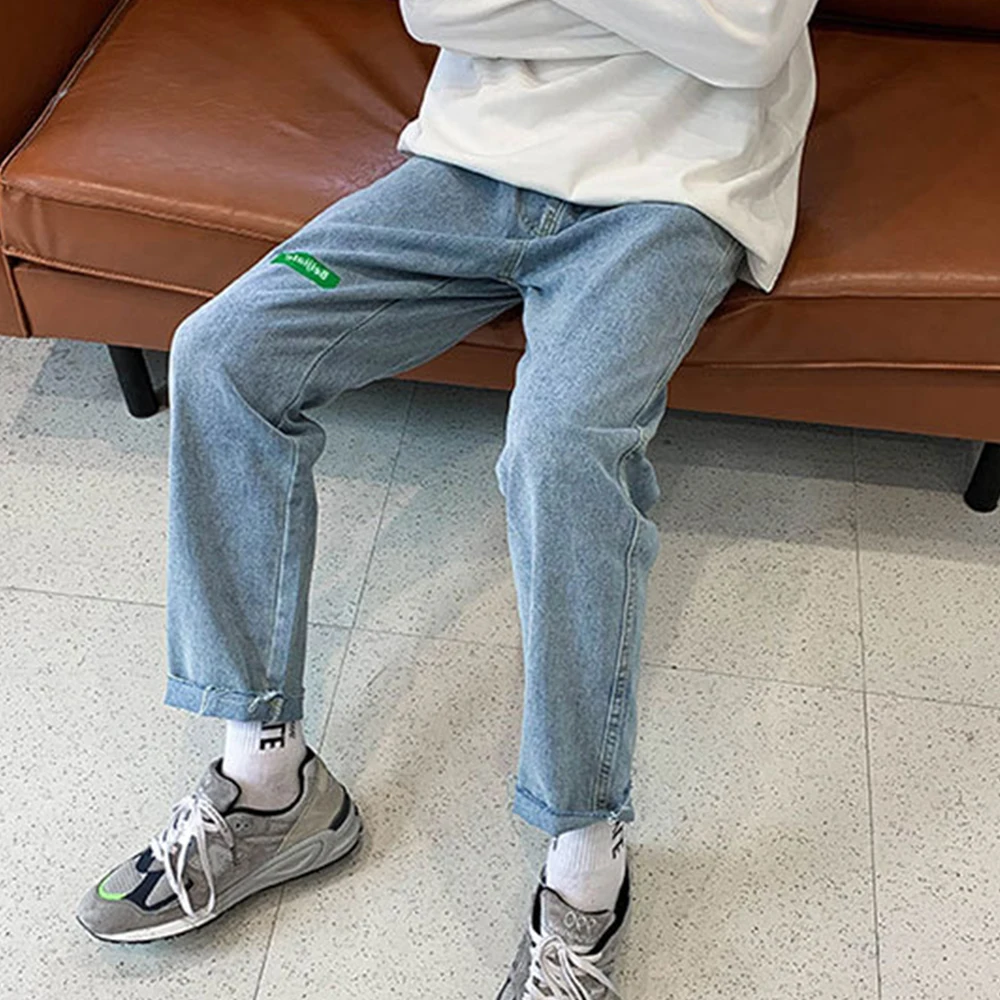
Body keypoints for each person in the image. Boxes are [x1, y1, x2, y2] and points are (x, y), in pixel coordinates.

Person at [77, 1, 820, 995]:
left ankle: (587, 866)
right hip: (469, 170)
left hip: (675, 196)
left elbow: (748, 42)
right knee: (222, 355)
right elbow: (439, 11)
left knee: (561, 449)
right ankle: (269, 786)